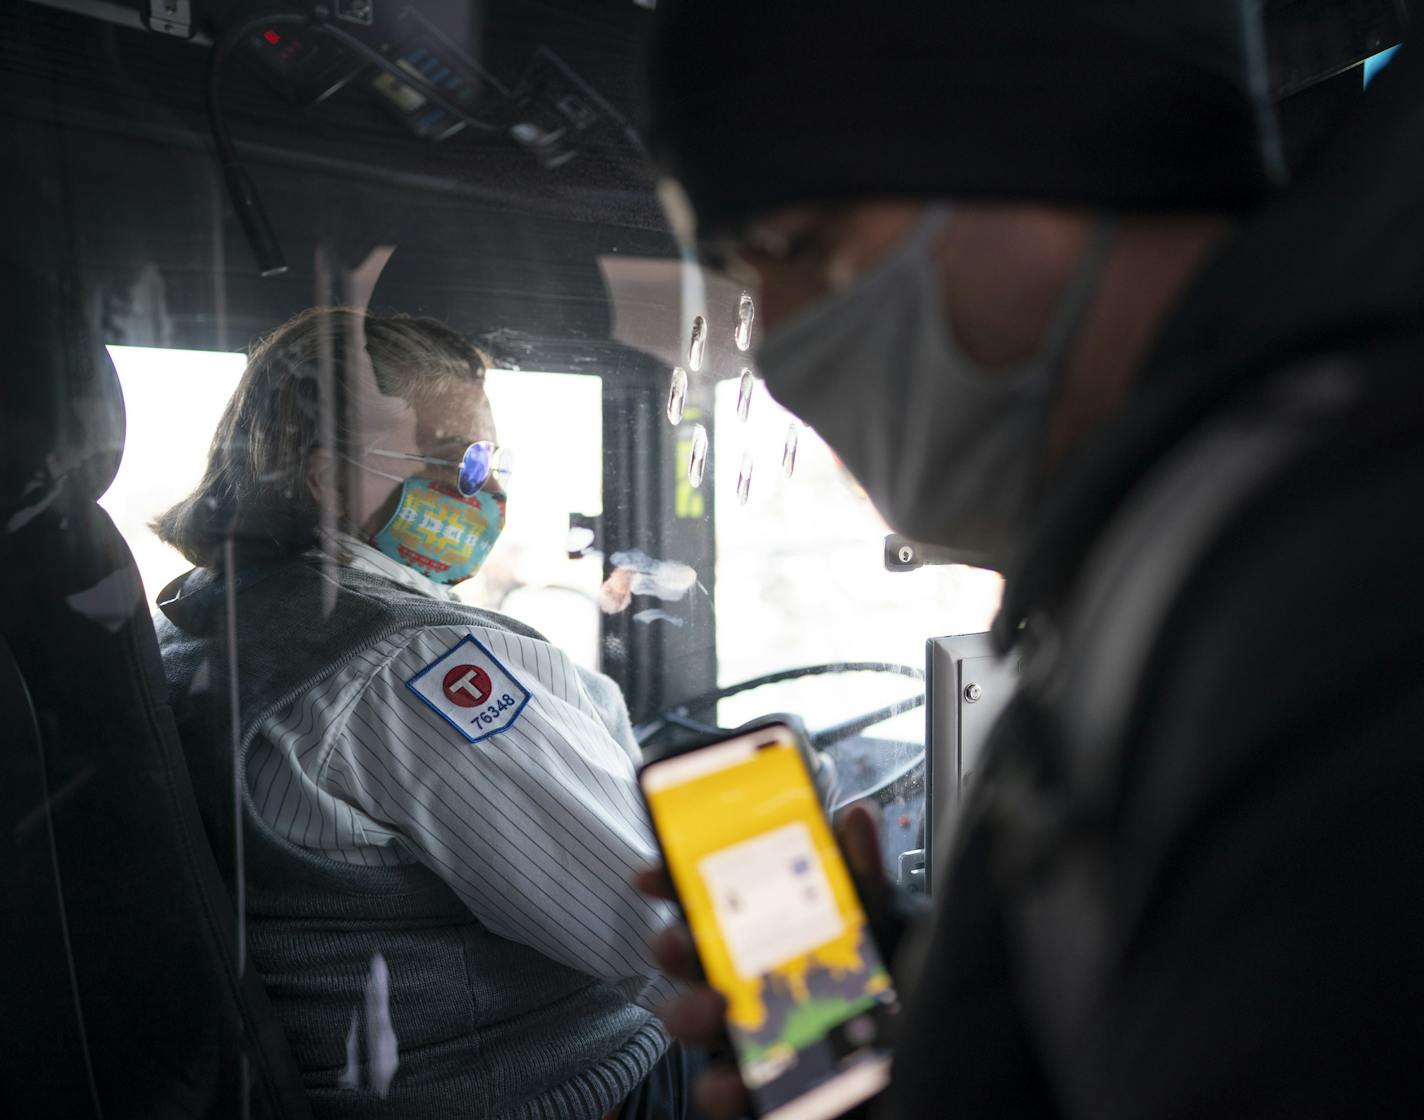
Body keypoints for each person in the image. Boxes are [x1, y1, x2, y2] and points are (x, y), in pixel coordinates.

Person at [639, 2, 1424, 1117]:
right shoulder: (1178, 541)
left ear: (1047, 147)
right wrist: (947, 995)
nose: (776, 343)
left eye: (801, 248)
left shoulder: (1336, 585)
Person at [152, 306, 698, 1118]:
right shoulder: (410, 665)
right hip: (566, 1094)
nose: (485, 487)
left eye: (487, 459)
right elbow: (665, 933)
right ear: (328, 479)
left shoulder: (198, 621)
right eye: (454, 459)